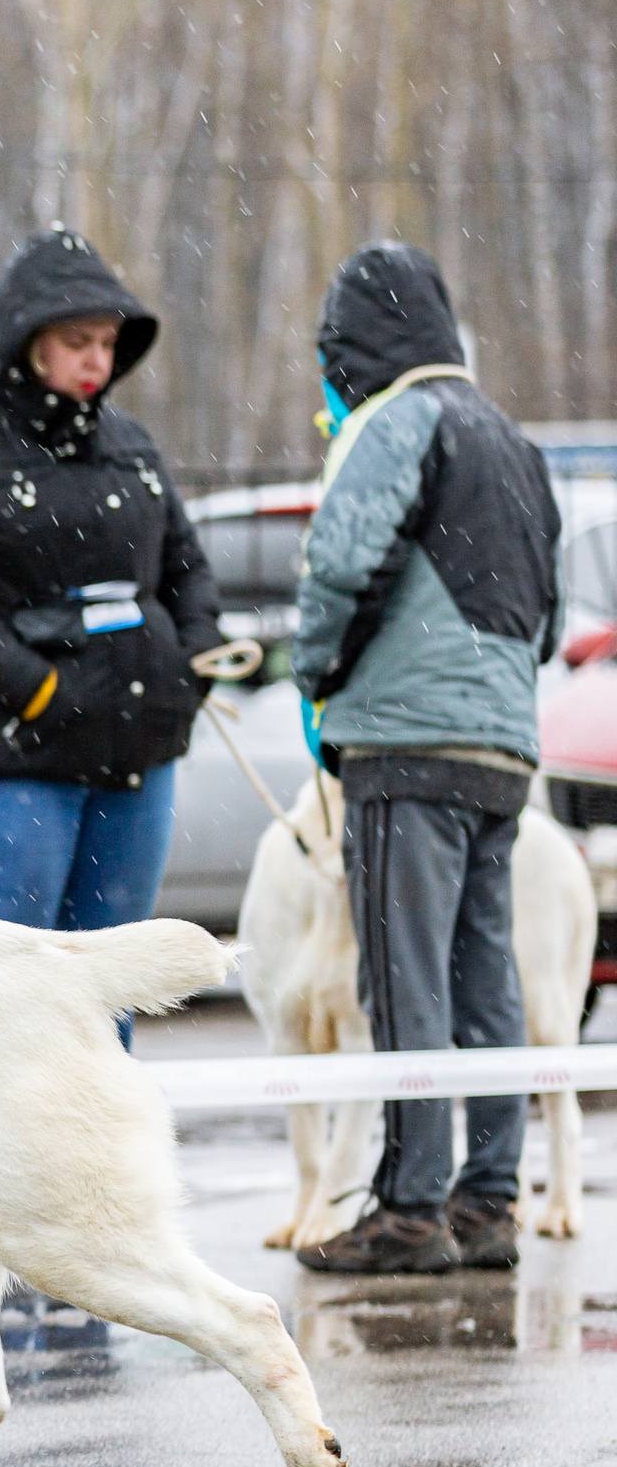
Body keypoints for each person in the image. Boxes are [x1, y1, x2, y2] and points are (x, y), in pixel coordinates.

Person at [0, 227, 223, 1050]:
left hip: (134, 752)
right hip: (12, 760)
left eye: (107, 343)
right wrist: (35, 688)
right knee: (13, 989)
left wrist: (191, 669)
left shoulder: (131, 447)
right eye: (77, 342)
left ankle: (101, 1138)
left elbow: (185, 570)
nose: (96, 361)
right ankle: (0, 1139)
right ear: (26, 341)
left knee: (114, 986)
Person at [291, 242, 561, 1276]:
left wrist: (316, 674)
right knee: (484, 978)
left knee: (404, 978)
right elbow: (547, 614)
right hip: (501, 745)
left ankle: (409, 1212)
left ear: (354, 346)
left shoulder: (397, 420)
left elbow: (341, 561)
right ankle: (487, 1200)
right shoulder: (513, 440)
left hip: (406, 744)